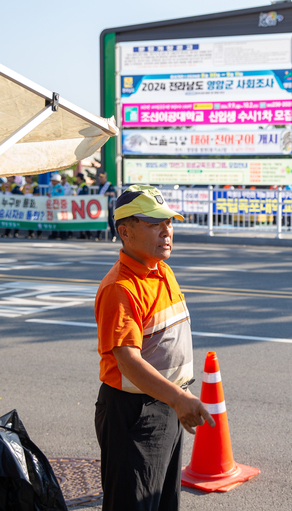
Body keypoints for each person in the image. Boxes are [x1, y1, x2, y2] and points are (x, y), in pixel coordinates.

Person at [94, 184, 215, 511]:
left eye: (169, 222)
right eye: (154, 223)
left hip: (166, 405)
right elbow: (128, 362)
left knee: (162, 502)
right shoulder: (120, 287)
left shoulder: (161, 270)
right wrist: (177, 397)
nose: (167, 231)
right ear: (125, 232)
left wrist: (175, 399)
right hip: (135, 413)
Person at [98, 172, 117, 241]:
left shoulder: (109, 185)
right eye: (100, 177)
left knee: (110, 219)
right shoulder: (100, 185)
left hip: (108, 204)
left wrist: (108, 193)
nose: (100, 178)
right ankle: (98, 235)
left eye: (102, 177)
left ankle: (113, 235)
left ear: (105, 177)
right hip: (101, 205)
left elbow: (113, 193)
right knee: (100, 219)